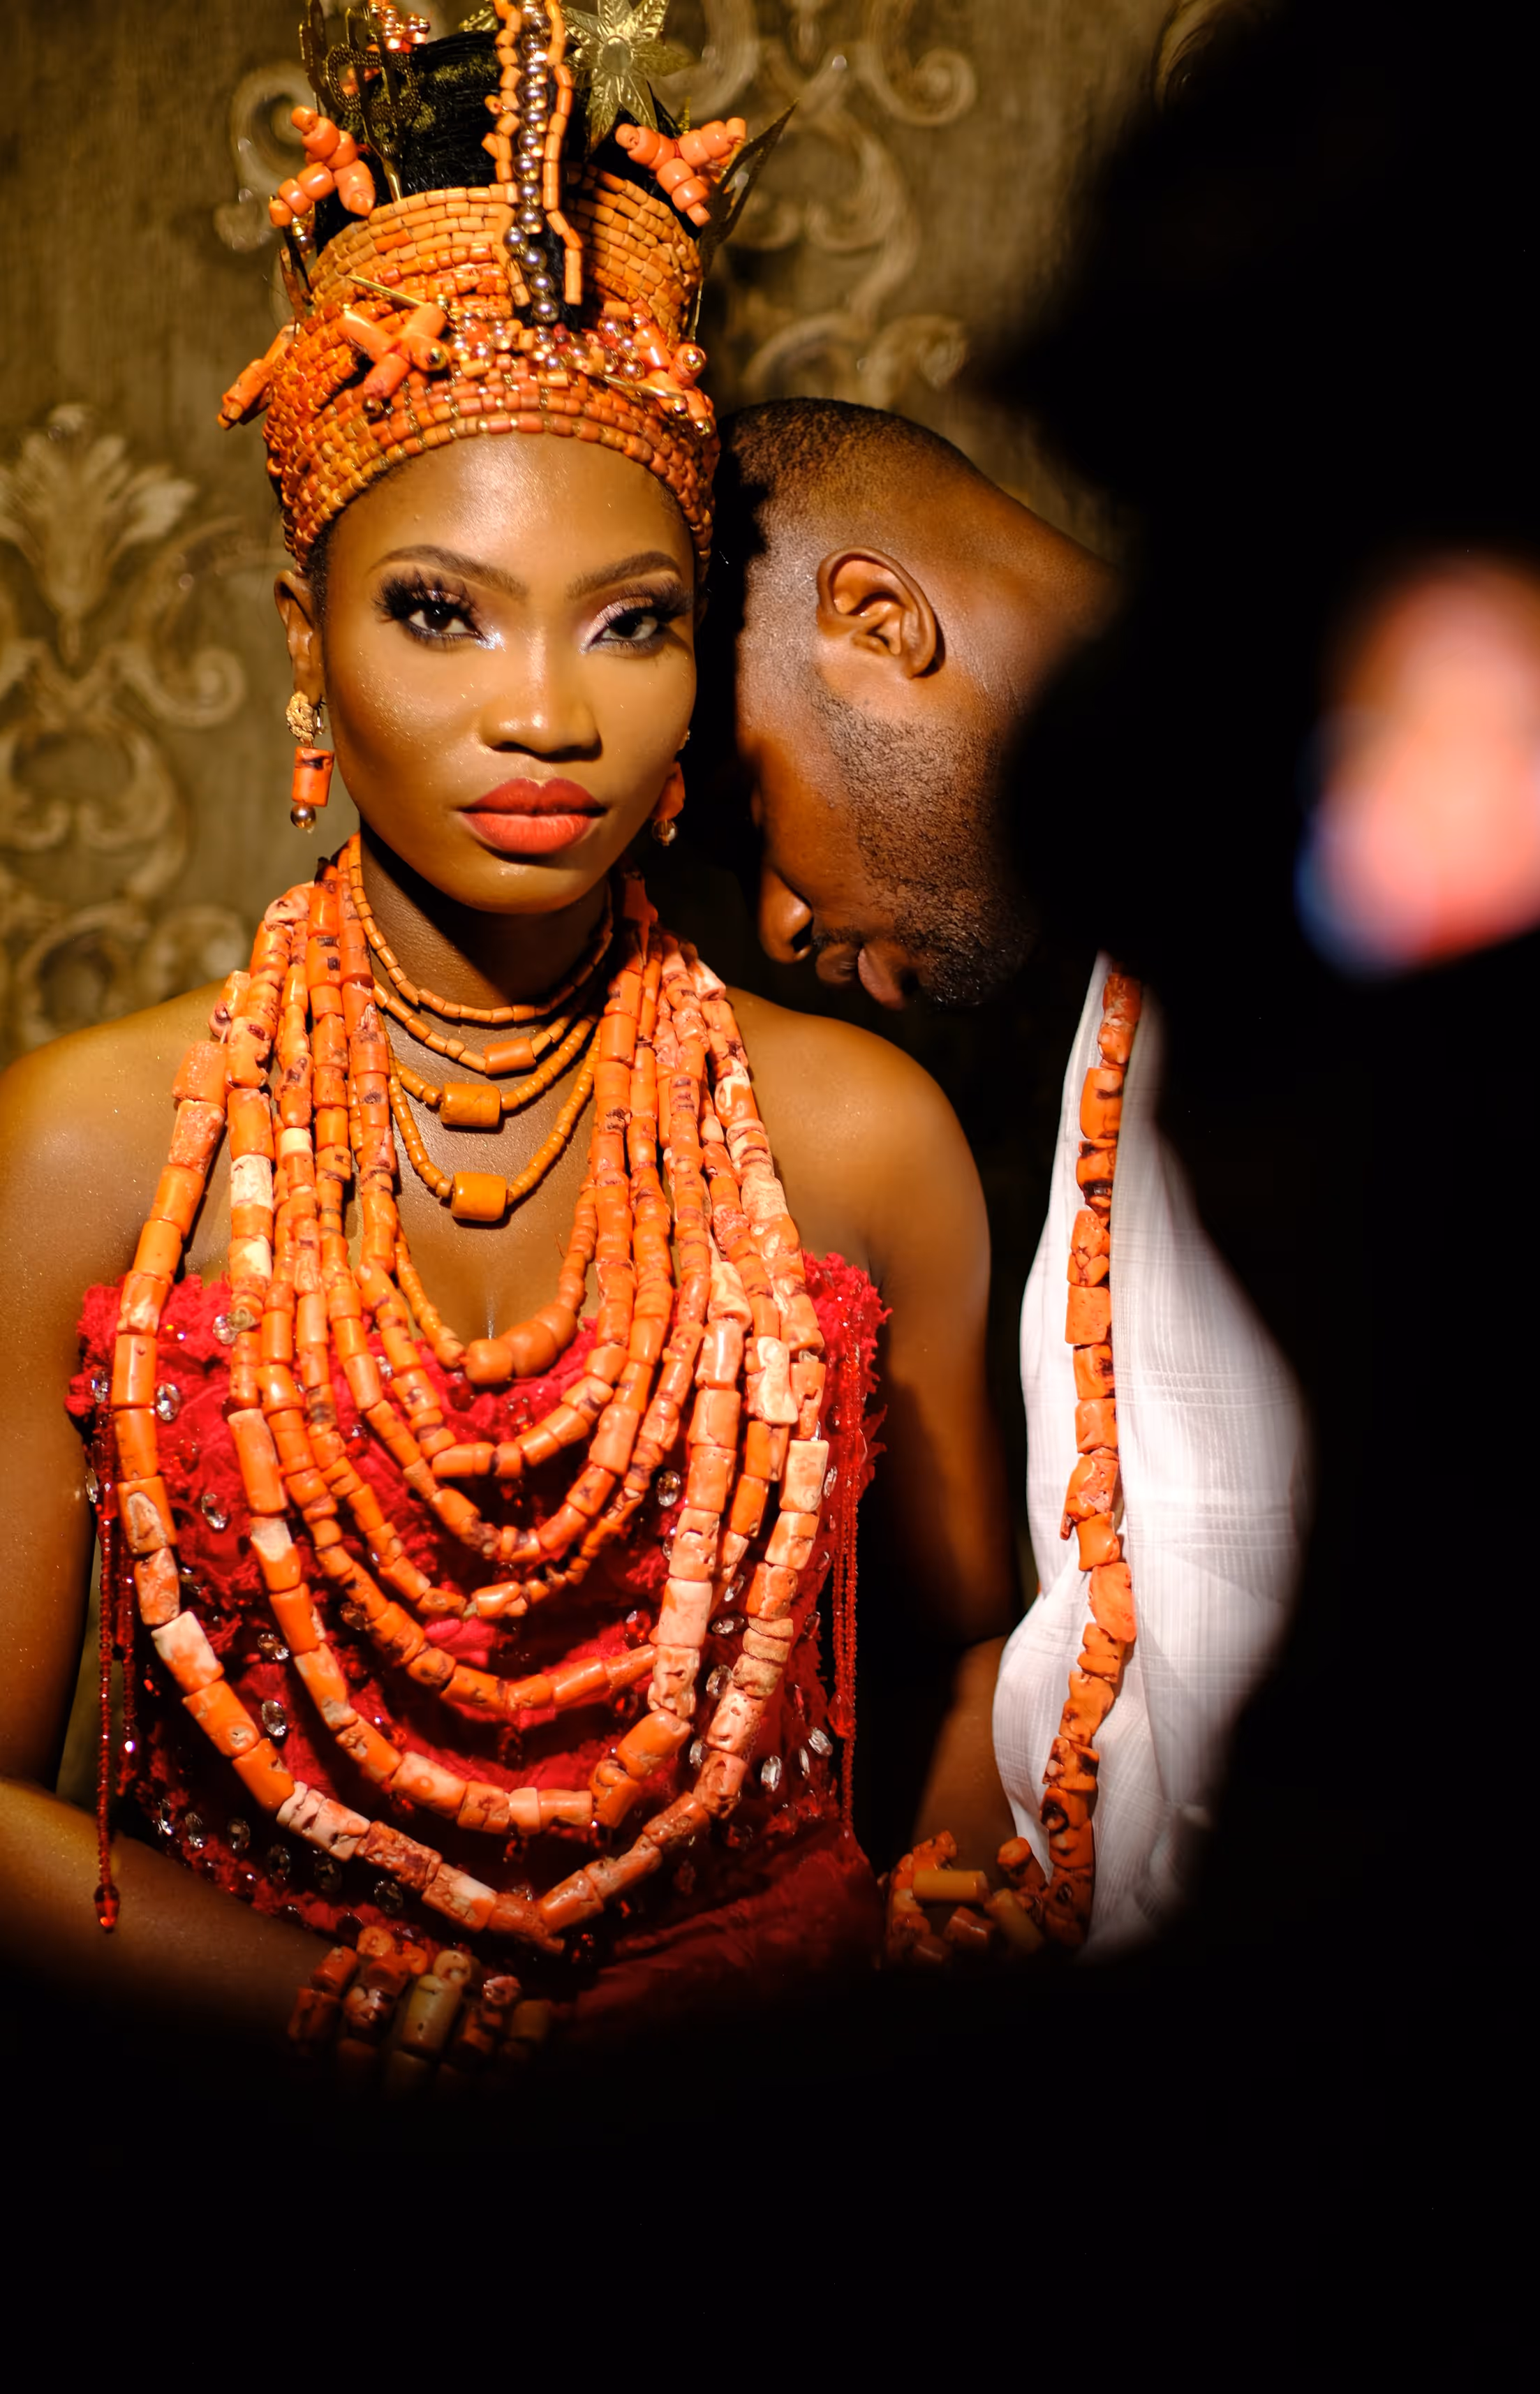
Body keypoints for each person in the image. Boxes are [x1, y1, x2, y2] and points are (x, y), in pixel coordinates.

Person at [0, 5, 1016, 2089]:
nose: (545, 711)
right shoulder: (94, 1157)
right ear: (307, 638)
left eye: (630, 620)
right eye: (442, 613)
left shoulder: (861, 1134)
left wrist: (940, 1900)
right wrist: (336, 2018)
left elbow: (990, 1656)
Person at [699, 395, 1310, 1953]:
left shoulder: (1384, 819)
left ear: (877, 621)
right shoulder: (1158, 927)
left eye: (752, 808)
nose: (774, 924)